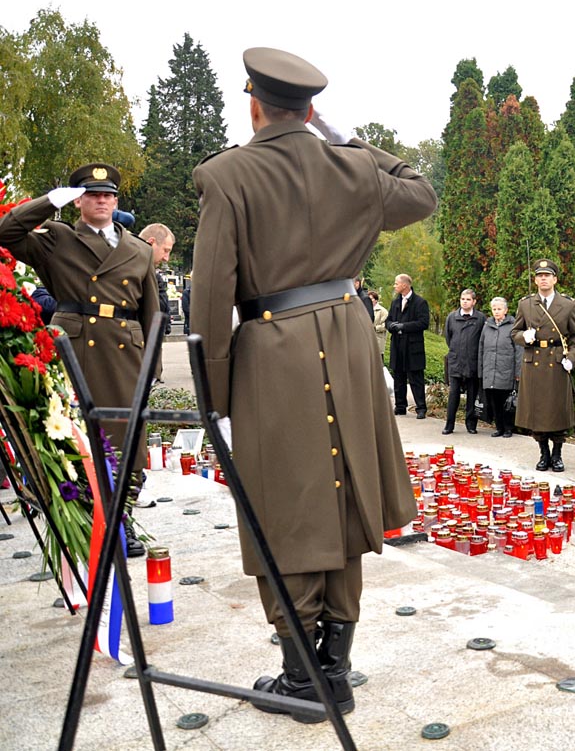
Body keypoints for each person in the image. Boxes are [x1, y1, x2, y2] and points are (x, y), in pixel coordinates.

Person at [190, 47, 437, 718]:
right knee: (342, 497)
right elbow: (419, 191)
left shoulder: (228, 175)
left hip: (275, 351)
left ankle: (304, 680)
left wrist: (214, 402)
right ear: (309, 111)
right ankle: (335, 669)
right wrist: (348, 140)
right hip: (348, 341)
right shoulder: (352, 167)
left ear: (254, 105)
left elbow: (210, 297)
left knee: (285, 507)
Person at [0, 163, 160, 557]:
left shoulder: (139, 249)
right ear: (77, 201)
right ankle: (87, 519)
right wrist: (50, 201)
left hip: (124, 350)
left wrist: (152, 366)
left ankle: (122, 520)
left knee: (128, 440)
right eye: (91, 194)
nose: (101, 201)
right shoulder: (57, 239)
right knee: (77, 438)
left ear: (116, 201)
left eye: (107, 195)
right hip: (75, 348)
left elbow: (151, 313)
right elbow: (6, 232)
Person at [511, 259, 575, 472]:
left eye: (547, 275)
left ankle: (557, 454)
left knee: (557, 412)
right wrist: (524, 336)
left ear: (555, 279)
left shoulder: (568, 305)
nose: (543, 279)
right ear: (535, 280)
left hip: (557, 363)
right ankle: (543, 453)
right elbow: (514, 332)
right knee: (537, 413)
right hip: (534, 363)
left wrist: (572, 359)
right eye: (539, 276)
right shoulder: (525, 304)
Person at [385, 274, 429, 418]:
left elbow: (423, 323)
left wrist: (404, 326)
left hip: (413, 347)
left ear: (404, 285)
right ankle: (400, 406)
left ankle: (421, 408)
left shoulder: (420, 302)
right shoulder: (395, 302)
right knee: (398, 377)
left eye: (396, 283)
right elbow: (388, 320)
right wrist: (391, 325)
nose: (394, 286)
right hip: (397, 345)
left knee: (416, 378)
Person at [443, 288, 484, 434]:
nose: (465, 302)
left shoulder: (480, 318)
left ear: (474, 302)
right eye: (462, 299)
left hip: (473, 362)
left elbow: (482, 340)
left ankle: (471, 424)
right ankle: (449, 425)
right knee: (453, 394)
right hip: (456, 362)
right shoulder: (452, 317)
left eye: (468, 299)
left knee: (472, 395)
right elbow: (448, 338)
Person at [478, 296, 521, 438]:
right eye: (494, 309)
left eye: (499, 309)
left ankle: (508, 428)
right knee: (494, 401)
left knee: (506, 401)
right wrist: (481, 370)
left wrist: (518, 372)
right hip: (490, 370)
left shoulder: (513, 326)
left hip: (506, 370)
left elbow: (519, 351)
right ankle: (499, 427)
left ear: (506, 310)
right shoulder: (487, 326)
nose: (496, 311)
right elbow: (481, 348)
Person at [138, 223, 175, 336]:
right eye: (165, 250)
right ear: (151, 243)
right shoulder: (128, 270)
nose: (166, 258)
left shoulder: (155, 277)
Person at [369, 291, 387, 362]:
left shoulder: (382, 311)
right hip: (368, 339)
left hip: (378, 339)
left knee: (378, 360)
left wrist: (375, 328)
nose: (370, 300)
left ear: (376, 300)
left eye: (371, 299)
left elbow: (386, 325)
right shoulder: (366, 309)